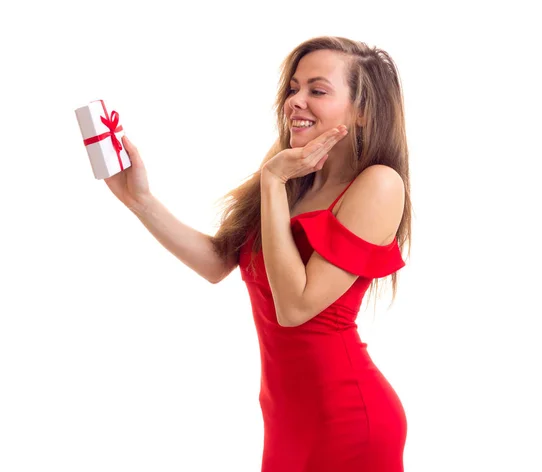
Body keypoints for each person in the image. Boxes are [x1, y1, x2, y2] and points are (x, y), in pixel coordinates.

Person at [107, 36, 412, 472]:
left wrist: (273, 181)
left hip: (346, 420)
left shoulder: (378, 184)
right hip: (286, 419)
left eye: (317, 90)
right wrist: (140, 200)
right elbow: (217, 263)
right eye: (293, 88)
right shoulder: (294, 178)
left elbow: (295, 307)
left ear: (362, 112)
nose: (295, 102)